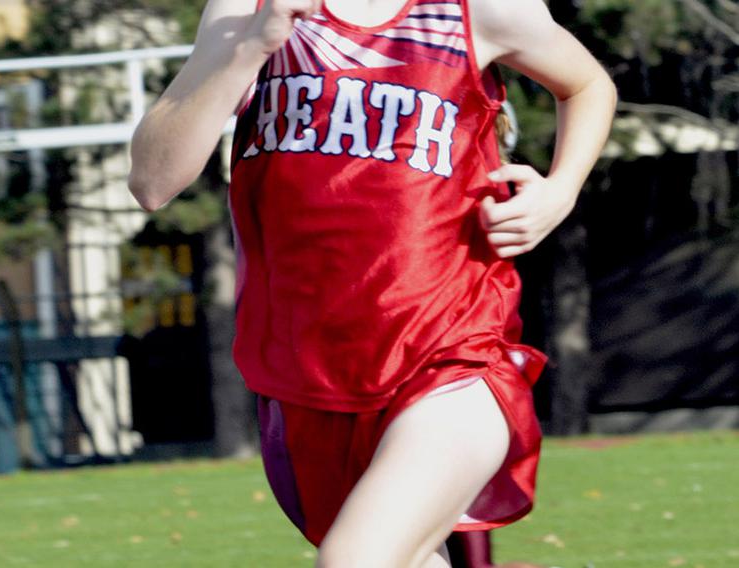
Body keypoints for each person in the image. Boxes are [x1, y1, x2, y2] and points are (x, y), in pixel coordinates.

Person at [129, 0, 616, 566]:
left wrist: (561, 188)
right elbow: (151, 179)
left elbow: (586, 85)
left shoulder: (473, 8)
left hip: (451, 356)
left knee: (355, 560)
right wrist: (249, 50)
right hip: (309, 376)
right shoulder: (247, 10)